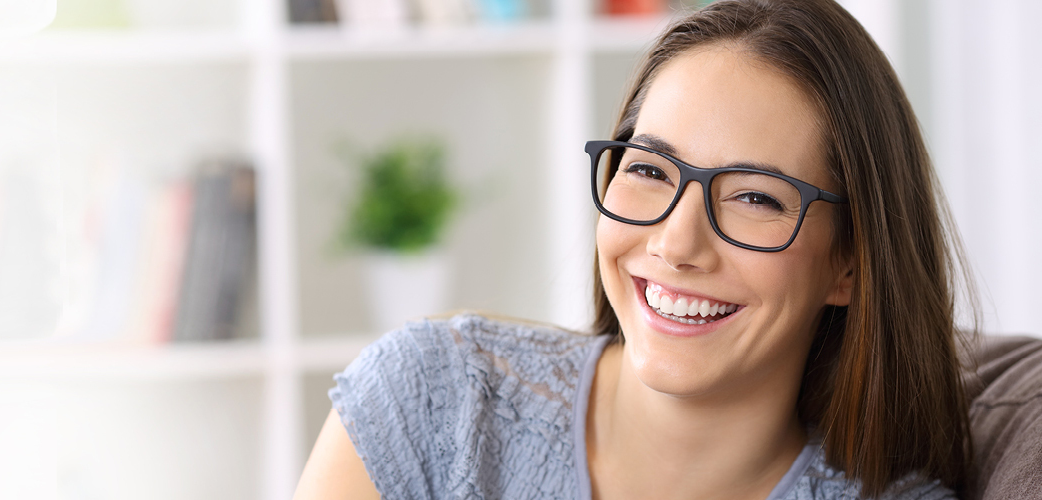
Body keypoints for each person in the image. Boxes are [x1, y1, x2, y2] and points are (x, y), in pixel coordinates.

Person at [294, 0, 973, 498]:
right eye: (650, 170)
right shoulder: (428, 400)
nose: (677, 243)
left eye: (755, 196)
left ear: (849, 262)